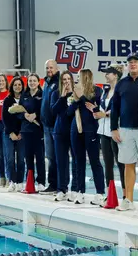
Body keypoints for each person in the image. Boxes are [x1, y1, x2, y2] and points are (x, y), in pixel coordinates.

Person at [111, 53, 138, 211]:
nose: (133, 64)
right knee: (128, 165)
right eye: (130, 63)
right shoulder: (121, 84)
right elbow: (114, 107)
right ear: (127, 66)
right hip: (126, 129)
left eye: (135, 62)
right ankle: (128, 199)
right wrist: (114, 128)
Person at [70, 69, 105, 205]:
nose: (77, 79)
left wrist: (82, 97)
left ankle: (100, 192)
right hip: (76, 129)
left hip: (91, 130)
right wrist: (75, 99)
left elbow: (97, 109)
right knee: (78, 161)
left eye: (79, 77)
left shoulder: (97, 91)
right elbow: (69, 111)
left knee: (94, 161)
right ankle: (80, 191)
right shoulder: (75, 91)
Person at [97, 64, 126, 200]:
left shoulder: (121, 90)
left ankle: (126, 195)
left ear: (115, 75)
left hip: (116, 131)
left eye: (108, 73)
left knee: (121, 164)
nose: (105, 75)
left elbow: (124, 109)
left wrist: (109, 114)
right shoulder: (105, 90)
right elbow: (103, 107)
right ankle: (109, 194)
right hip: (103, 131)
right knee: (107, 164)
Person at [51, 70, 76, 201]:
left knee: (76, 161)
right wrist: (62, 96)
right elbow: (54, 111)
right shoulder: (56, 94)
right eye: (64, 80)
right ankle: (62, 189)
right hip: (60, 131)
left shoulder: (77, 94)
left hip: (74, 131)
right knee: (61, 162)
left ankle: (76, 189)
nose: (66, 81)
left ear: (72, 80)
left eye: (68, 79)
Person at [18, 73, 46, 191]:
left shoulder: (42, 95)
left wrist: (36, 115)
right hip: (26, 130)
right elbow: (18, 111)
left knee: (39, 156)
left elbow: (45, 110)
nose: (32, 83)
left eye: (34, 81)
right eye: (30, 81)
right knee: (28, 157)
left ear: (38, 82)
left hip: (38, 130)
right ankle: (30, 180)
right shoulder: (24, 95)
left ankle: (41, 181)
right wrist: (25, 115)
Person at [40, 59, 60, 195]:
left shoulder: (58, 82)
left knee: (57, 157)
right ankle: (53, 184)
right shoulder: (46, 83)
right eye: (47, 68)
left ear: (56, 68)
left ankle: (58, 185)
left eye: (51, 68)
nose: (49, 70)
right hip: (46, 126)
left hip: (55, 126)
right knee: (50, 157)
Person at [2, 77, 25, 192]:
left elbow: (25, 117)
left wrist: (21, 132)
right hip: (9, 134)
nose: (17, 87)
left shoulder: (25, 100)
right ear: (12, 86)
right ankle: (12, 181)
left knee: (21, 159)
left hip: (21, 134)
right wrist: (11, 132)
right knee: (10, 158)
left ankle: (20, 181)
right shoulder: (7, 100)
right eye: (15, 85)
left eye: (19, 85)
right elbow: (5, 118)